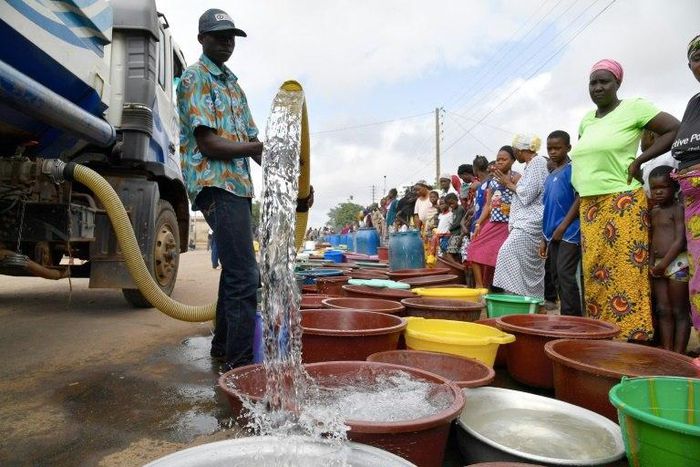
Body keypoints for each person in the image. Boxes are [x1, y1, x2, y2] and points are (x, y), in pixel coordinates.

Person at [569, 59, 680, 342]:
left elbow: (673, 128)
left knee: (624, 274)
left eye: (604, 81)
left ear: (618, 83)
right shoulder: (586, 120)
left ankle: (631, 340)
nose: (597, 87)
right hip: (591, 205)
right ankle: (602, 335)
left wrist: (641, 159)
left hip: (621, 202)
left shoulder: (634, 108)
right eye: (593, 82)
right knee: (595, 273)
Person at [177, 8, 263, 371]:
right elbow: (209, 144)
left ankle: (222, 347)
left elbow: (255, 141)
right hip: (214, 183)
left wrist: (298, 182)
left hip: (238, 188)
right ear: (202, 39)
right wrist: (256, 149)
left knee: (234, 270)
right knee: (246, 275)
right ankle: (240, 368)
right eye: (219, 36)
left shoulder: (234, 87)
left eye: (232, 37)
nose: (227, 42)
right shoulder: (195, 79)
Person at [493, 134, 549, 299]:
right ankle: (524, 298)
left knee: (507, 252)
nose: (515, 155)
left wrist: (508, 184)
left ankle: (520, 296)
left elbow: (528, 193)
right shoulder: (531, 165)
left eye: (515, 151)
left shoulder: (538, 163)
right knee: (522, 263)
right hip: (525, 221)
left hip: (530, 222)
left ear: (520, 150)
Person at [672, 34, 700, 335]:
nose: (699, 61)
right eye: (695, 56)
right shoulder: (694, 102)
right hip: (693, 206)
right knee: (698, 282)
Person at [539, 131, 582, 316]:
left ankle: (573, 318)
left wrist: (564, 226)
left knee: (565, 274)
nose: (553, 152)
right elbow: (547, 209)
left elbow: (581, 197)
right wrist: (543, 237)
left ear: (568, 148)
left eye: (557, 148)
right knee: (555, 275)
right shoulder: (549, 177)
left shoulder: (573, 170)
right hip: (551, 234)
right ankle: (565, 315)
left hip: (569, 232)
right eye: (550, 148)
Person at [648, 166, 690, 353]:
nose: (657, 192)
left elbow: (680, 240)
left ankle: (679, 354)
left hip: (677, 263)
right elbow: (651, 240)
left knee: (679, 311)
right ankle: (667, 352)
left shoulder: (678, 209)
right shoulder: (653, 212)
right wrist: (651, 264)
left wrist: (664, 264)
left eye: (663, 187)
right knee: (663, 309)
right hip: (657, 265)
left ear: (675, 188)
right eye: (653, 188)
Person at [468, 146, 521, 289]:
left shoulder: (516, 177)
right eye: (498, 159)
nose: (500, 162)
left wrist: (507, 183)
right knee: (473, 248)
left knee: (501, 257)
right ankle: (480, 287)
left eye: (504, 159)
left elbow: (523, 196)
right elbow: (488, 205)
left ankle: (503, 288)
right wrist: (479, 222)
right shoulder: (492, 181)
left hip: (509, 225)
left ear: (513, 160)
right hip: (493, 222)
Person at [445, 192, 466, 263]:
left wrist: (449, 229)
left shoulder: (460, 209)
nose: (451, 206)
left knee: (449, 253)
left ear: (456, 200)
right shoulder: (454, 210)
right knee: (455, 254)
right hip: (454, 234)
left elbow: (457, 223)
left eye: (452, 203)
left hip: (458, 234)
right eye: (449, 205)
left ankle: (456, 267)